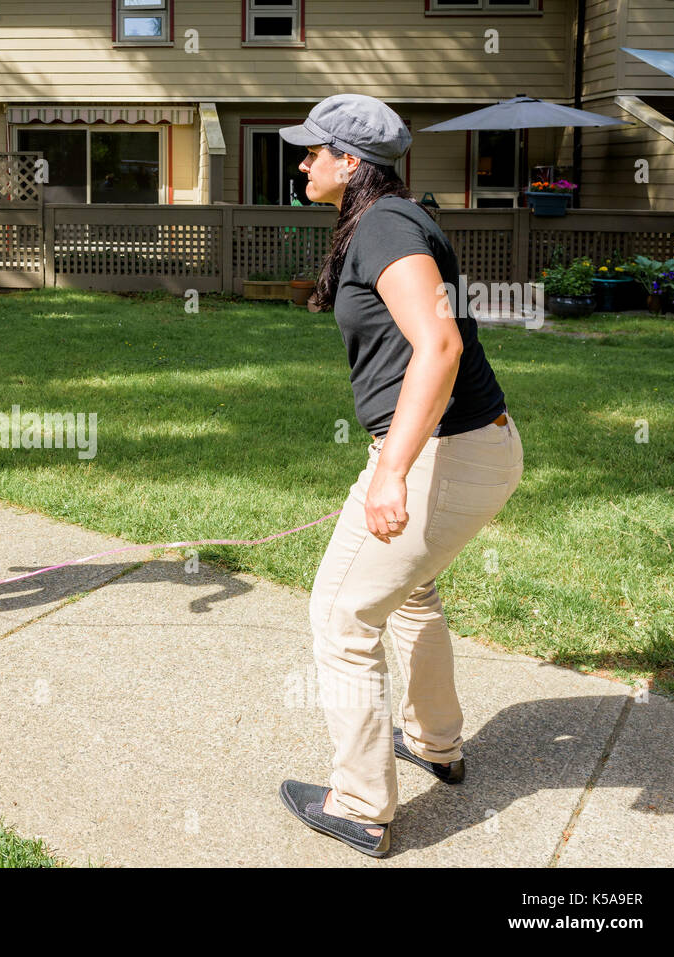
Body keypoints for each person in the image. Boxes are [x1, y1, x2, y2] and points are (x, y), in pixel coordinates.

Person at [274, 94, 524, 857]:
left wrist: (391, 472)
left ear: (351, 162)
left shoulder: (385, 225)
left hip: (443, 454)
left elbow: (438, 346)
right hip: (474, 446)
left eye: (314, 150)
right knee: (411, 592)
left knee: (343, 615)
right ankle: (436, 743)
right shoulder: (387, 219)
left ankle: (359, 804)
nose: (302, 161)